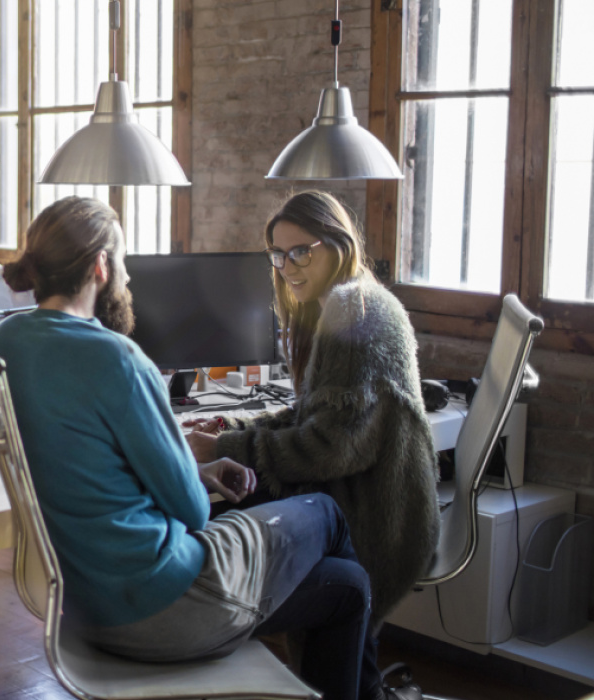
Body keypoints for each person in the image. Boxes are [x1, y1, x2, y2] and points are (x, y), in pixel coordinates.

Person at [0, 197, 402, 700]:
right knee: (330, 516)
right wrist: (190, 470)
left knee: (347, 583)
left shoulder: (6, 341)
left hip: (74, 608)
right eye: (123, 263)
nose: (128, 279)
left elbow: (80, 456)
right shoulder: (118, 359)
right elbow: (192, 510)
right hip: (165, 607)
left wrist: (192, 466)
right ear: (100, 266)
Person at [184, 191, 438, 626]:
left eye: (301, 251)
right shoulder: (343, 302)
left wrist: (221, 446)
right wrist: (229, 423)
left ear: (338, 244)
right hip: (359, 502)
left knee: (204, 529)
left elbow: (330, 448)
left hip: (379, 521)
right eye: (278, 255)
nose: (287, 267)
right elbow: (314, 417)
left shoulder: (353, 310)